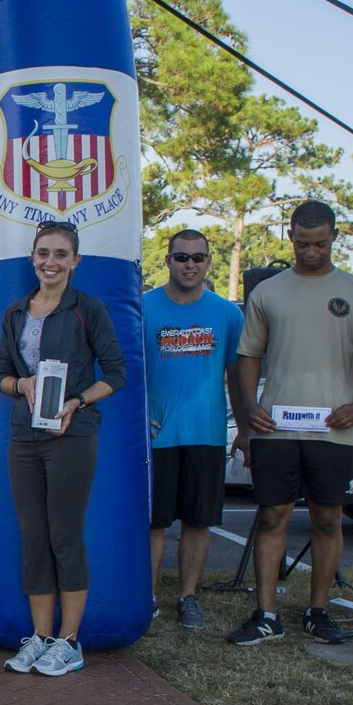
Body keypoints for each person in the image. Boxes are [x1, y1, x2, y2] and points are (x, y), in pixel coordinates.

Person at [230, 200, 353, 647]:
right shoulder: (268, 292)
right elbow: (248, 358)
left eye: (319, 243)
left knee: (328, 519)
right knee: (272, 515)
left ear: (335, 236)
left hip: (335, 429)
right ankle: (266, 614)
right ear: (291, 237)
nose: (311, 251)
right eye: (302, 243)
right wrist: (252, 407)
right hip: (276, 427)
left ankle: (318, 612)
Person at [0, 222, 125, 677]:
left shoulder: (88, 309)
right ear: (32, 257)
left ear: (75, 261)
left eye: (60, 254)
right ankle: (40, 638)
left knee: (64, 537)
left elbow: (117, 373)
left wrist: (76, 401)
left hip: (71, 435)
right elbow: (1, 377)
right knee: (33, 539)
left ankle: (69, 642)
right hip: (24, 437)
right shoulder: (15, 312)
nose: (50, 262)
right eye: (43, 253)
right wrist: (21, 383)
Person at [142, 230, 245, 630]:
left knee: (198, 521)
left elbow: (238, 377)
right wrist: (136, 415)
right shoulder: (144, 307)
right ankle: (148, 597)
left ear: (208, 263)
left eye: (198, 257)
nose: (190, 264)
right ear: (167, 260)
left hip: (206, 432)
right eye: (181, 257)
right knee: (154, 522)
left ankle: (187, 597)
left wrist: (245, 428)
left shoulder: (227, 314)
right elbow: (125, 370)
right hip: (156, 435)